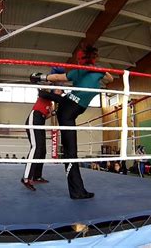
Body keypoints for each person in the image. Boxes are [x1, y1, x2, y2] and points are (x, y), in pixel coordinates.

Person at [31, 44, 113, 199]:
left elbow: (57, 77)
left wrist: (40, 76)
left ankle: (78, 190)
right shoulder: (87, 71)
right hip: (67, 112)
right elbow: (110, 78)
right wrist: (100, 70)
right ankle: (76, 191)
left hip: (68, 110)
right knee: (71, 153)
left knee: (72, 152)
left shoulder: (82, 71)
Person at [21, 76, 64, 191]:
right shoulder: (45, 92)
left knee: (42, 149)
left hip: (40, 121)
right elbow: (41, 92)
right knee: (36, 147)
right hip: (34, 118)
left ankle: (37, 176)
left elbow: (47, 115)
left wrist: (54, 112)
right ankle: (26, 178)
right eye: (59, 90)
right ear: (54, 89)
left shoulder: (50, 102)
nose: (60, 92)